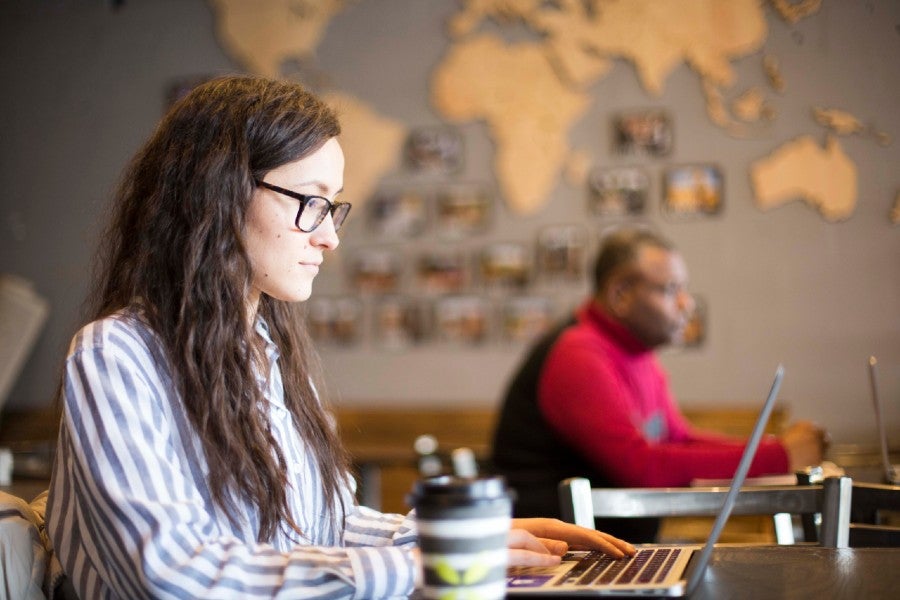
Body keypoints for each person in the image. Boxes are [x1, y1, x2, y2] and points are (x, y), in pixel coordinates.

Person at [45, 75, 634, 599]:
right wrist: (422, 565)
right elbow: (176, 576)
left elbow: (324, 527)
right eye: (310, 203)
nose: (329, 238)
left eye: (333, 208)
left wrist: (462, 537)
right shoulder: (116, 356)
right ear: (218, 196)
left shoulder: (267, 353)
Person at [491, 227, 827, 542]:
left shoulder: (635, 351)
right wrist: (778, 457)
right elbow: (642, 467)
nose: (687, 304)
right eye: (670, 290)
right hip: (555, 565)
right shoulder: (578, 353)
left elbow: (679, 438)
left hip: (609, 549)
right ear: (620, 294)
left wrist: (772, 449)